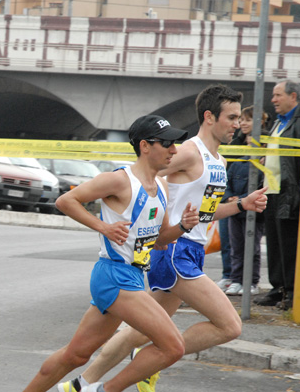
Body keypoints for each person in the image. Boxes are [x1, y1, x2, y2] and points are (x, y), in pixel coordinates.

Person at [58, 84, 268, 392]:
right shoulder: (187, 151)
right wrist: (141, 218)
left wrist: (241, 204)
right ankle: (149, 363)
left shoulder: (219, 161)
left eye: (239, 118)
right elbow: (146, 173)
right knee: (229, 326)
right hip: (174, 251)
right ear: (210, 117)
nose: (238, 124)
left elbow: (204, 214)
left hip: (192, 249)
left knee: (140, 332)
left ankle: (80, 384)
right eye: (232, 117)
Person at [23, 115, 198, 392]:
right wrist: (103, 226)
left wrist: (183, 227)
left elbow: (160, 241)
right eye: (167, 143)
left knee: (75, 355)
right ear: (145, 146)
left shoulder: (162, 187)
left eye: (175, 144)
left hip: (132, 277)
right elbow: (65, 200)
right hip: (115, 276)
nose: (174, 150)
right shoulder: (119, 180)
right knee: (173, 347)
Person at [255, 79, 300, 310]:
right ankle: (277, 288)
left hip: (291, 191)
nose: (273, 100)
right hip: (272, 191)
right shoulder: (278, 122)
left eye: (278, 95)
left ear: (293, 96)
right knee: (274, 243)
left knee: (289, 244)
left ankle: (293, 292)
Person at [224, 106, 267, 296]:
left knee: (253, 248)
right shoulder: (238, 162)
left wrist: (238, 199)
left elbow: (263, 186)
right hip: (236, 210)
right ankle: (235, 279)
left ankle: (251, 281)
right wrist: (230, 198)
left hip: (253, 211)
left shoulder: (264, 164)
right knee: (236, 247)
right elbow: (227, 181)